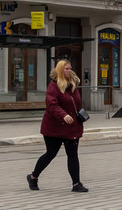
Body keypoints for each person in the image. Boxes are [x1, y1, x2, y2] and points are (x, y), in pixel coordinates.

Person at [27, 60, 87, 193]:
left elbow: (76, 104)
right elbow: (52, 105)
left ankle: (76, 184)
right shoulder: (53, 86)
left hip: (71, 127)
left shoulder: (73, 85)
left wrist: (80, 115)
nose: (69, 71)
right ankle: (33, 177)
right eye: (66, 69)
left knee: (72, 154)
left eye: (70, 68)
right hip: (54, 127)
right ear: (60, 70)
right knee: (51, 153)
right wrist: (63, 115)